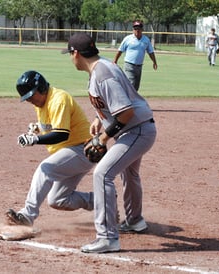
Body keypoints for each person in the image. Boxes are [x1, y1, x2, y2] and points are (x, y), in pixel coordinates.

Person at [62, 33, 157, 253]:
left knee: (102, 174)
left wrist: (104, 138)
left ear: (76, 54)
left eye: (69, 54)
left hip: (137, 130)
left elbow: (126, 111)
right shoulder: (101, 66)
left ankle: (107, 237)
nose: (70, 59)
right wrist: (99, 117)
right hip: (136, 128)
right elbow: (114, 103)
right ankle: (135, 220)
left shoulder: (102, 72)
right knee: (129, 174)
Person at [6, 70, 95, 226]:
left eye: (31, 96)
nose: (30, 101)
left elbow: (61, 134)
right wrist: (38, 128)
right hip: (70, 152)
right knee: (58, 200)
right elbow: (54, 125)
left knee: (45, 169)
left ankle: (27, 215)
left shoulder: (59, 99)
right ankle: (103, 201)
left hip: (83, 149)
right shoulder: (40, 103)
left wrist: (34, 139)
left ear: (41, 88)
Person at [112, 20, 158, 91]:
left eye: (139, 28)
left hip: (139, 67)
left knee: (136, 87)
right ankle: (127, 100)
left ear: (142, 30)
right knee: (131, 84)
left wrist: (154, 62)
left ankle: (130, 100)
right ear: (133, 30)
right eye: (135, 29)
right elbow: (120, 50)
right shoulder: (128, 39)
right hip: (129, 65)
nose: (137, 30)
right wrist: (115, 61)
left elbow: (150, 52)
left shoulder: (146, 40)